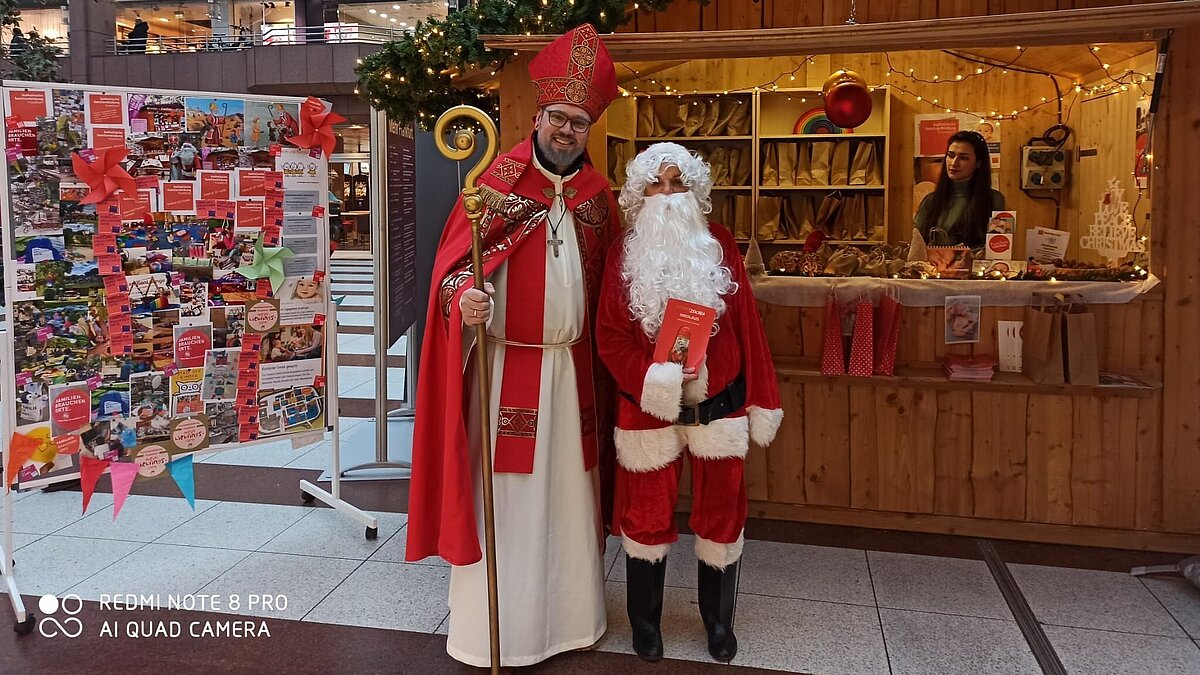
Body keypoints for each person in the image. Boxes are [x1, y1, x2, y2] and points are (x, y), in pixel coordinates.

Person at [406, 23, 622, 668]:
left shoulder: (598, 196)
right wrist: (462, 299)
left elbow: (610, 283)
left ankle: (574, 619)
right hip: (508, 370)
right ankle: (498, 629)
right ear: (539, 114)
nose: (565, 131)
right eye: (558, 117)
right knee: (510, 501)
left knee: (572, 497)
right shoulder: (496, 184)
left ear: (589, 130)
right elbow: (453, 271)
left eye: (578, 123)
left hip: (574, 371)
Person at [596, 143, 783, 663]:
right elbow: (610, 337)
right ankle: (646, 623)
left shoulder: (719, 242)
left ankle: (718, 623)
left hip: (719, 406)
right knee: (646, 515)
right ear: (639, 194)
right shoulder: (622, 251)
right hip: (646, 409)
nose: (667, 196)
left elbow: (749, 327)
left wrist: (763, 399)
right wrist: (656, 377)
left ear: (695, 191)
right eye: (656, 185)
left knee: (724, 514)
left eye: (677, 185)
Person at [914, 130, 1005, 249]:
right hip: (934, 266)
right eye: (951, 155)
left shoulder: (994, 199)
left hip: (976, 266)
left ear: (978, 163)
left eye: (964, 158)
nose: (954, 163)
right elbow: (917, 245)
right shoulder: (930, 201)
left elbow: (999, 246)